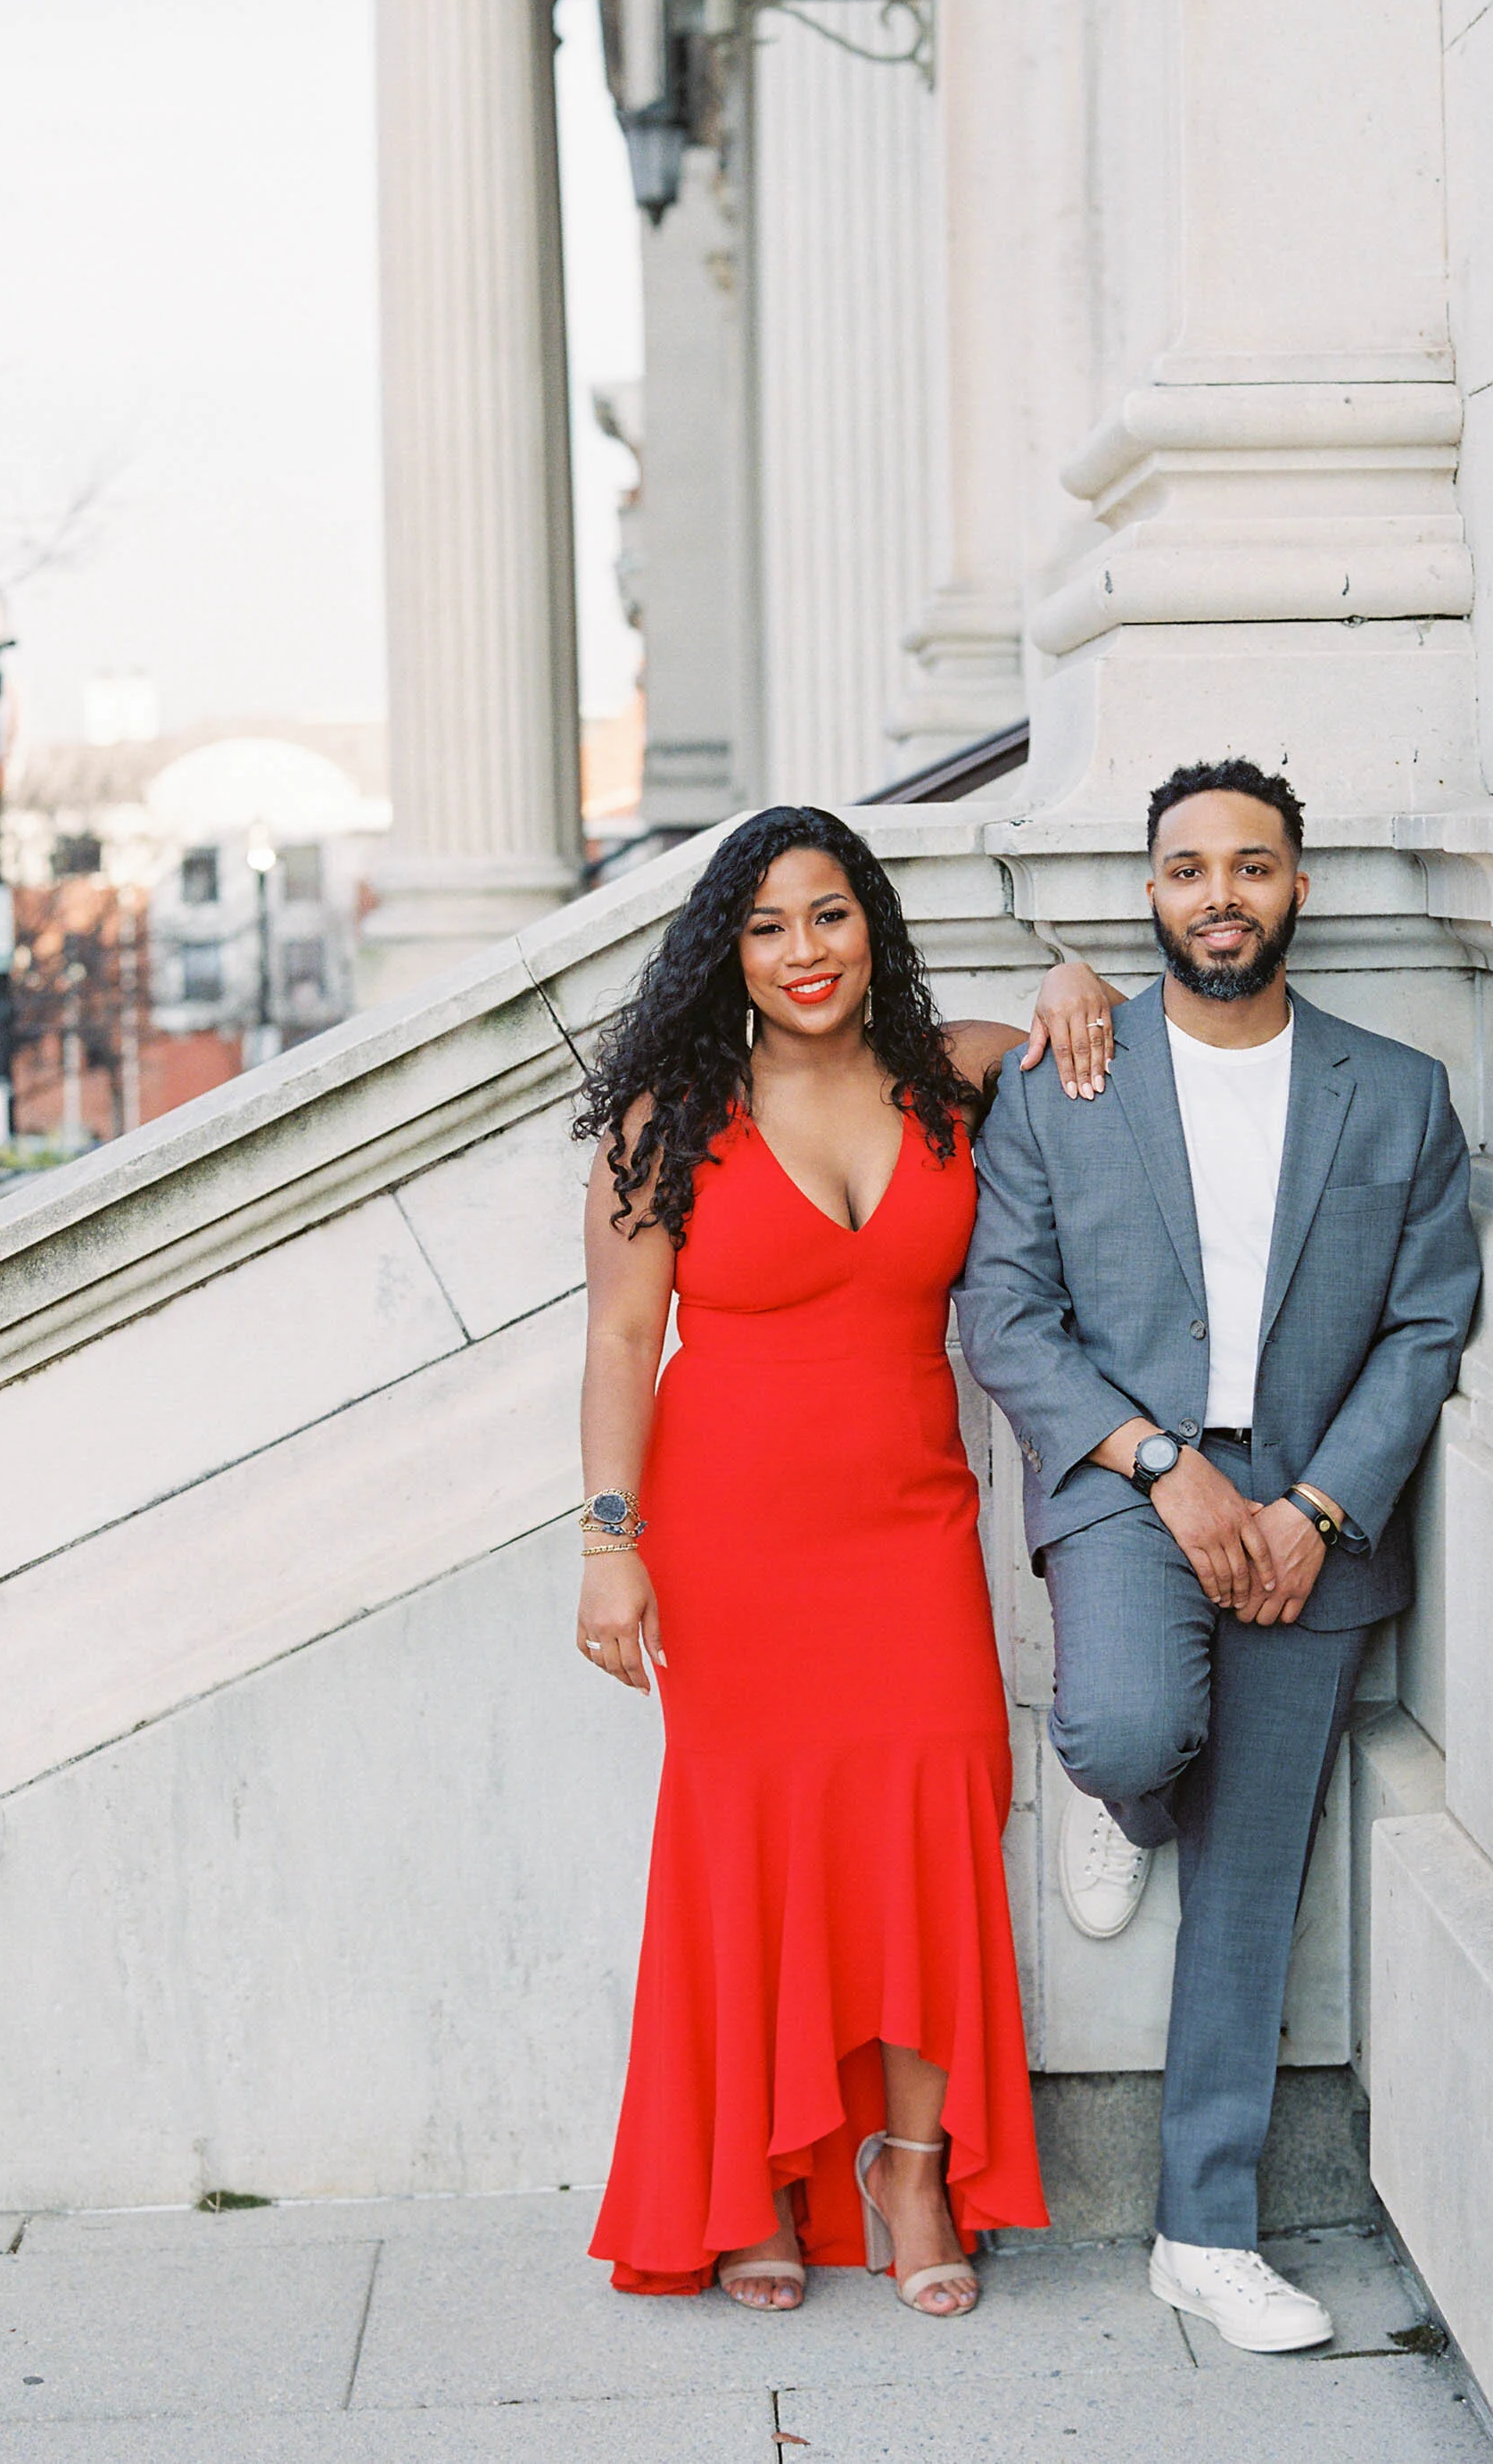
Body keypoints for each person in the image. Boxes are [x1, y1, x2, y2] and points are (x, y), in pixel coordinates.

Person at [956, 759, 1479, 2355]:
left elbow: (1426, 1319)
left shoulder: (1394, 1091)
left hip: (1314, 1498)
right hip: (1130, 1478)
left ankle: (1204, 2230)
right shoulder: (1069, 1080)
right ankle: (1118, 1800)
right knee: (1126, 1722)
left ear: (1298, 887)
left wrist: (1318, 1508)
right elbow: (1009, 1319)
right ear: (1152, 897)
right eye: (1189, 870)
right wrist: (1168, 1469)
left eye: (1253, 867)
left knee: (1254, 1878)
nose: (1221, 896)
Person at [573, 805, 1124, 2312]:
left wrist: (1078, 975)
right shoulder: (670, 1121)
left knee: (932, 1819)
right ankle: (747, 2172)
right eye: (765, 927)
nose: (802, 951)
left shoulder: (951, 1077)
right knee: (751, 1845)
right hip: (731, 1534)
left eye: (827, 915)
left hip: (909, 1524)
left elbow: (1105, 1040)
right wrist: (609, 1541)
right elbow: (624, 1335)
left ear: (871, 924)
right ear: (724, 954)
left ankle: (911, 2164)